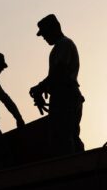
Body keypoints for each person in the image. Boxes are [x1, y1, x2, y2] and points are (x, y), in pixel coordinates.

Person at [30, 14, 85, 157]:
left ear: (53, 29)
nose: (44, 38)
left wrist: (41, 87)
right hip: (62, 97)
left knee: (66, 137)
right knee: (63, 138)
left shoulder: (64, 44)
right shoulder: (58, 48)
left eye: (45, 34)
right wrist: (43, 90)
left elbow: (60, 72)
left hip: (67, 97)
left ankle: (77, 168)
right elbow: (56, 77)